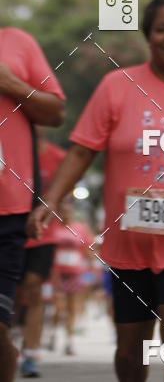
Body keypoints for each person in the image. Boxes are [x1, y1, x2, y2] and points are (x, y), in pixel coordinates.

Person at [28, 0, 164, 382]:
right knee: (130, 349)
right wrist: (50, 201)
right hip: (127, 244)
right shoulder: (116, 87)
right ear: (148, 34)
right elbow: (81, 152)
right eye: (162, 29)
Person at [0, 29, 65, 382]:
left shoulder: (18, 43)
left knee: (30, 292)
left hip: (9, 211)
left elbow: (56, 112)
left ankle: (31, 352)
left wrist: (10, 83)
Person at [17, 128, 66, 377]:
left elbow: (64, 195)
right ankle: (11, 343)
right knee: (14, 294)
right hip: (12, 231)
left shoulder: (58, 157)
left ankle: (31, 353)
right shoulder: (13, 153)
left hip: (44, 234)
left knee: (34, 287)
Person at [50, 200, 94, 358]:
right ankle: (53, 333)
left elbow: (88, 249)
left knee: (71, 309)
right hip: (56, 274)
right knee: (58, 307)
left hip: (75, 273)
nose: (65, 213)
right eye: (62, 210)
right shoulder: (53, 227)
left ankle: (69, 341)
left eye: (68, 210)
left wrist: (91, 270)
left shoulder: (80, 228)